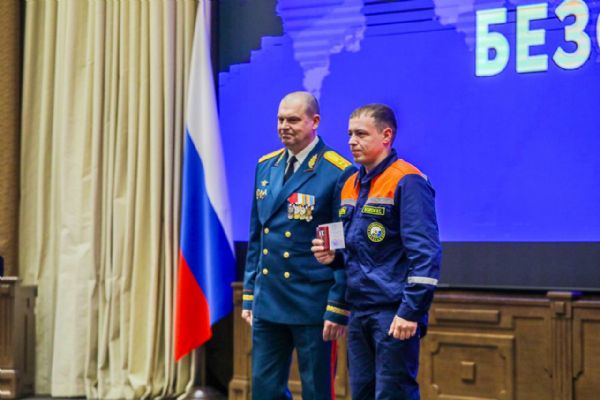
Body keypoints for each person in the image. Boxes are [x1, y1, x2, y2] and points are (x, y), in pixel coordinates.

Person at [312, 104, 441, 399]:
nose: (351, 141)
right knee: (362, 393)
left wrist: (410, 312)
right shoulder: (350, 183)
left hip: (393, 312)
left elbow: (426, 254)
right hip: (359, 310)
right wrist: (334, 258)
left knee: (393, 393)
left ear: (386, 136)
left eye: (361, 134)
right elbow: (357, 248)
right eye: (349, 134)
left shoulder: (407, 180)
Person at [242, 91, 357, 400]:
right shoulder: (266, 166)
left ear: (314, 121)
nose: (284, 126)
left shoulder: (336, 171)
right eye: (280, 119)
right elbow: (258, 235)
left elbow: (340, 246)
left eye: (293, 120)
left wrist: (338, 305)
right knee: (264, 391)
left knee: (317, 390)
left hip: (311, 302)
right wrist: (250, 294)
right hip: (269, 299)